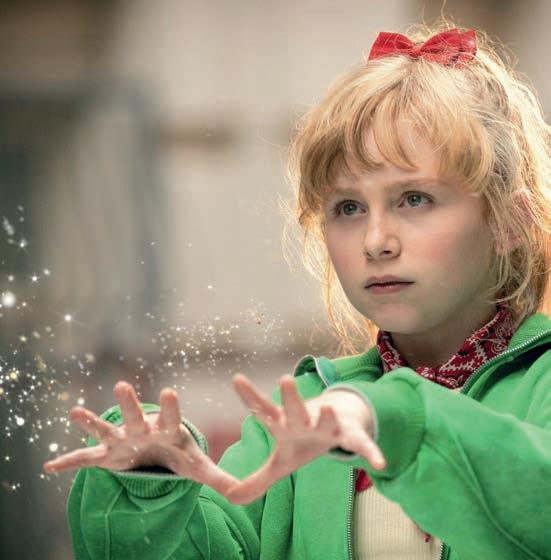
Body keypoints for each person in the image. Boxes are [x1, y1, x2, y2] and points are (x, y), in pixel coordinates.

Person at [43, 20, 551, 560]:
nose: (376, 241)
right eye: (348, 208)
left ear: (511, 221)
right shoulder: (305, 411)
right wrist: (153, 485)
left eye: (415, 199)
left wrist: (392, 417)